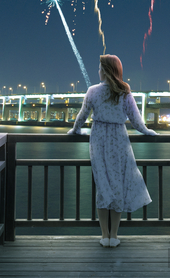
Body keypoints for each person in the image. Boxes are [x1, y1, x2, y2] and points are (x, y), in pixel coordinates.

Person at [67, 54, 157, 247]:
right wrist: (148, 132)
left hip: (98, 139)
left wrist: (74, 131)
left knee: (102, 185)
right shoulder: (125, 92)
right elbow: (136, 121)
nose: (98, 71)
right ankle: (114, 235)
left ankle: (104, 235)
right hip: (119, 139)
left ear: (106, 70)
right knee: (117, 185)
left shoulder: (92, 91)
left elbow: (82, 117)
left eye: (100, 68)